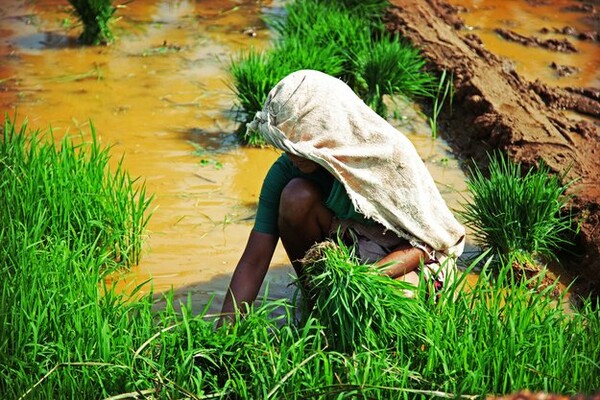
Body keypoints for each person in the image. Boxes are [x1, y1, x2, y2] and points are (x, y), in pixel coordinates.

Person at [220, 69, 465, 322]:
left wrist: (362, 281)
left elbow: (426, 245)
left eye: (299, 145)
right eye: (285, 146)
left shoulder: (387, 156)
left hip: (409, 258)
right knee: (296, 195)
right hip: (353, 249)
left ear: (326, 132)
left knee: (395, 300)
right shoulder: (286, 171)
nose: (291, 156)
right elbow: (254, 260)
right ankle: (319, 305)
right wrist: (224, 332)